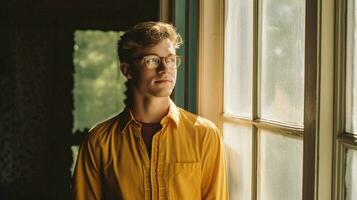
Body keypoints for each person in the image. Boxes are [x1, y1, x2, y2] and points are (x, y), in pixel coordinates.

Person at [72, 21, 228, 200]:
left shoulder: (204, 135)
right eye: (152, 60)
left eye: (170, 59)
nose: (164, 69)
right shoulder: (98, 142)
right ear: (128, 70)